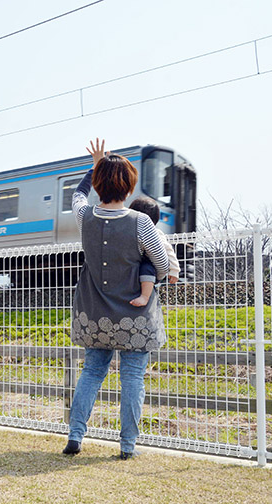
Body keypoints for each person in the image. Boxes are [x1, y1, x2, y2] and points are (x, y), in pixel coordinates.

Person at [63, 138, 169, 460]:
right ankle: (127, 447)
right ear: (129, 186)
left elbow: (77, 196)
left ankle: (75, 435)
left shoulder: (85, 218)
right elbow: (162, 265)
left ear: (98, 184)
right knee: (133, 377)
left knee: (92, 372)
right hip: (134, 316)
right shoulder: (141, 222)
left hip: (94, 315)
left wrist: (95, 165)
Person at [128, 196, 180, 307]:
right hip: (132, 265)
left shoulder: (156, 233)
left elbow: (168, 251)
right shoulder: (128, 231)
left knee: (146, 268)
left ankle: (144, 297)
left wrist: (174, 270)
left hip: (148, 266)